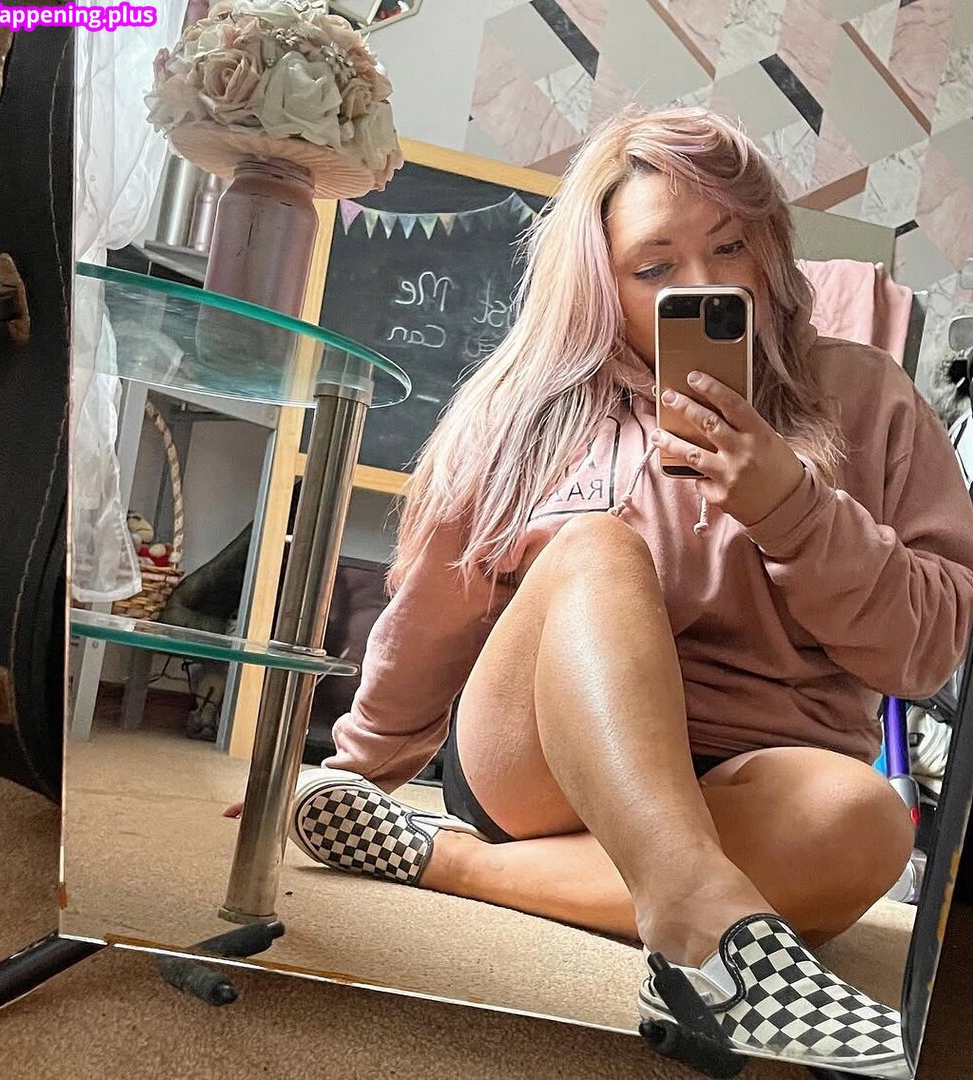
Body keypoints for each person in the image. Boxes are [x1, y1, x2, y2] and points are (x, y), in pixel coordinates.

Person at [276, 107, 973, 1075]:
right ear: (601, 279)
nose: (706, 286)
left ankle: (463, 864)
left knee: (864, 823)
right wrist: (356, 771)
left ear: (770, 244)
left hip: (762, 771)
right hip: (544, 768)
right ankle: (697, 922)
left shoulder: (868, 397)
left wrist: (794, 511)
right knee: (596, 549)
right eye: (654, 267)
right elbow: (436, 608)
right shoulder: (527, 406)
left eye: (729, 245)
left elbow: (924, 653)